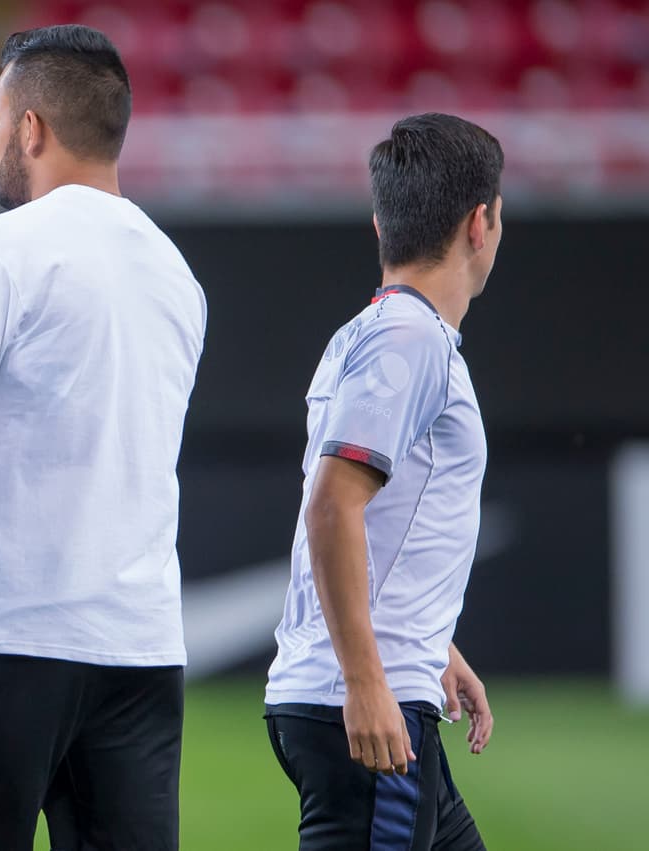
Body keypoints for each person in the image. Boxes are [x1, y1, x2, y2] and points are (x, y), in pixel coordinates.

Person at [0, 24, 207, 851]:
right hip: (142, 646)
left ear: (31, 128)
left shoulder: (4, 246)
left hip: (13, 631)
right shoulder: (176, 272)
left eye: (0, 120)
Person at [263, 112, 502, 850]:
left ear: (380, 224)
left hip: (381, 684)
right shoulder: (411, 338)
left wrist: (438, 648)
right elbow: (332, 505)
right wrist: (370, 678)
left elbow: (381, 512)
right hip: (367, 706)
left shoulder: (372, 332)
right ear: (480, 223)